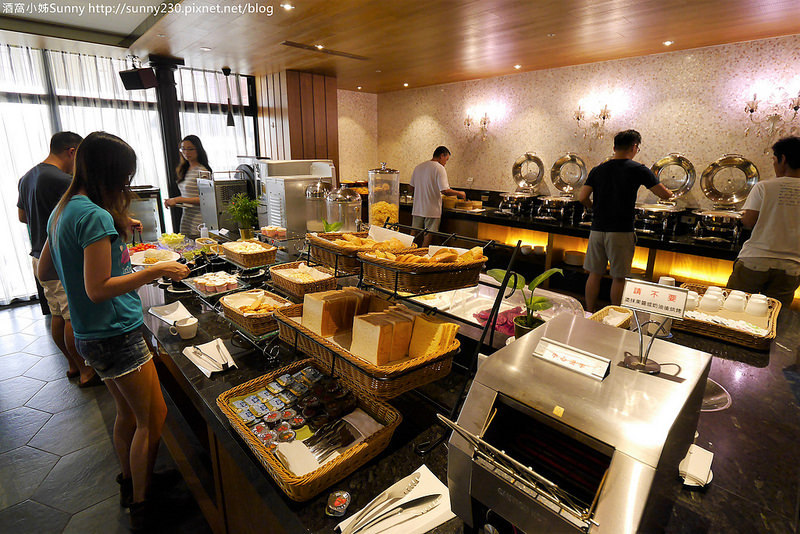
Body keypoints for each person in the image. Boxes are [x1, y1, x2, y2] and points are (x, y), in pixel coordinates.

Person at [37, 131, 189, 530]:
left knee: (127, 413)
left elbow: (44, 271)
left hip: (90, 333)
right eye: (125, 177)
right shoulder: (94, 215)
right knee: (153, 418)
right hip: (114, 331)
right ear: (111, 173)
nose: (125, 185)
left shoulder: (63, 208)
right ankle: (144, 505)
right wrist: (155, 269)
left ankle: (130, 479)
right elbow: (98, 288)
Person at [17, 131, 101, 387]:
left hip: (38, 254)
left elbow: (22, 217)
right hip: (58, 257)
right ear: (73, 151)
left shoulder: (27, 176)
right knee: (70, 316)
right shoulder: (62, 180)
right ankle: (86, 370)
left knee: (56, 312)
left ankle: (72, 365)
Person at [578, 129, 673, 311]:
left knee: (594, 274)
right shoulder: (638, 169)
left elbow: (582, 197)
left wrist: (595, 209)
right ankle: (616, 314)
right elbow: (664, 194)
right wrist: (671, 193)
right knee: (618, 277)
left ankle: (589, 311)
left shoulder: (598, 169)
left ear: (614, 147)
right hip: (621, 231)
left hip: (597, 229)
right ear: (635, 147)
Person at [727, 136, 800, 311]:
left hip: (755, 259)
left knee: (732, 311)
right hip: (792, 266)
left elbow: (749, 221)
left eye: (774, 160)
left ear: (782, 159)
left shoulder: (764, 187)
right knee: (773, 316)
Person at [409, 146, 466, 246]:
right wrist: (460, 193)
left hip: (418, 207)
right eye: (446, 159)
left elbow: (411, 188)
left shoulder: (419, 167)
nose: (445, 163)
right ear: (441, 156)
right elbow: (445, 191)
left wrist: (420, 193)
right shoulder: (439, 168)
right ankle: (423, 259)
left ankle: (406, 255)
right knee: (428, 235)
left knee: (413, 234)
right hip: (432, 208)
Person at [164, 134, 211, 239]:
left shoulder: (202, 171)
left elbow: (206, 199)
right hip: (186, 218)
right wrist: (174, 201)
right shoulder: (185, 168)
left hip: (198, 220)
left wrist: (178, 199)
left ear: (198, 150)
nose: (186, 152)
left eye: (190, 149)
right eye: (183, 149)